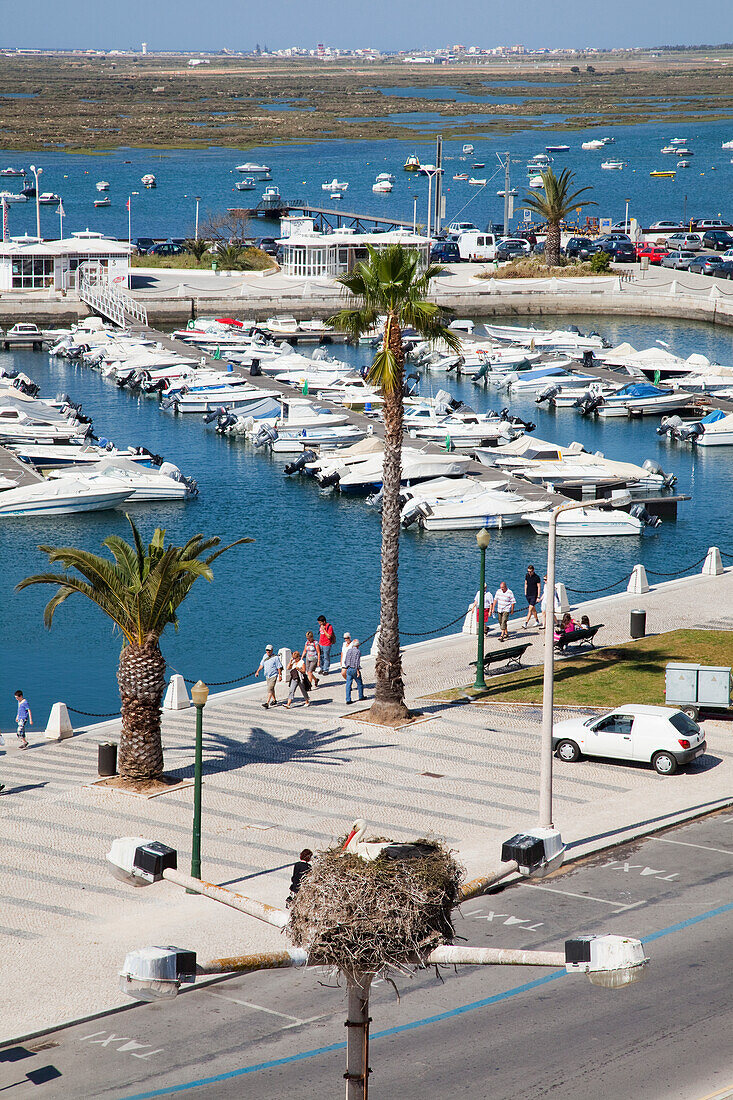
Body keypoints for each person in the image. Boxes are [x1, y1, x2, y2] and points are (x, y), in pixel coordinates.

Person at [343, 639, 364, 704]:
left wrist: (347, 667)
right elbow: (357, 662)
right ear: (358, 645)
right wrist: (357, 671)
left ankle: (348, 699)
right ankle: (361, 696)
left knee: (348, 684)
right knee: (359, 683)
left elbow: (346, 660)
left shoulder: (349, 651)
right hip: (354, 669)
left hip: (348, 669)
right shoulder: (358, 651)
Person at [523, 565, 542, 629]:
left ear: (533, 570)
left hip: (534, 595)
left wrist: (538, 596)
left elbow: (539, 587)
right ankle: (537, 621)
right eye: (528, 571)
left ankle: (526, 623)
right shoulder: (527, 576)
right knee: (533, 608)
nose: (529, 573)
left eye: (530, 571)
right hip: (528, 594)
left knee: (530, 609)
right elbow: (526, 583)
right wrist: (525, 592)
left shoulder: (537, 577)